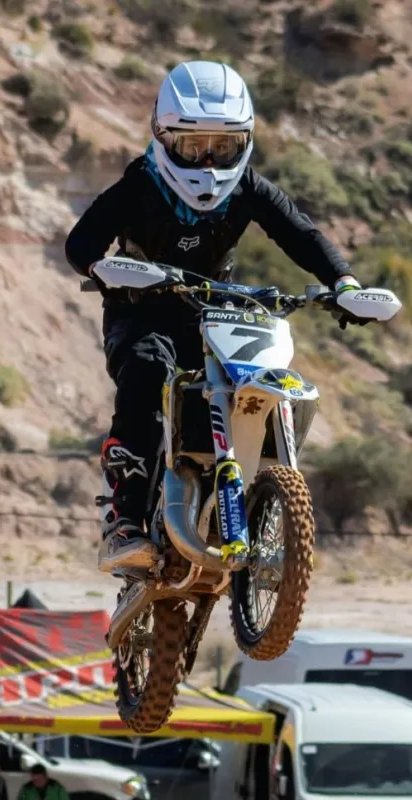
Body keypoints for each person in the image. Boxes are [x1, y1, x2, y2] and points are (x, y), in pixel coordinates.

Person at [64, 60, 363, 572]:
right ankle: (125, 521)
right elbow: (80, 241)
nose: (206, 161)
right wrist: (105, 267)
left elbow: (302, 234)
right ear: (163, 136)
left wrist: (344, 283)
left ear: (243, 143)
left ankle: (256, 493)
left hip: (215, 313)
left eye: (221, 147)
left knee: (265, 378)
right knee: (146, 373)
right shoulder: (139, 185)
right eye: (193, 145)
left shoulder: (249, 188)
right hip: (141, 313)